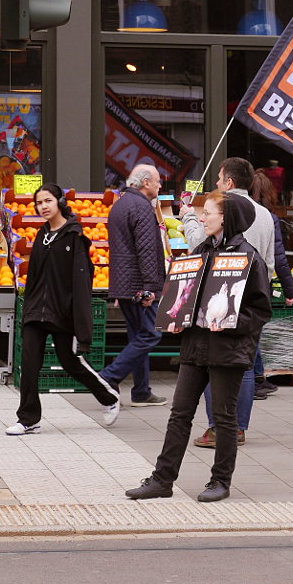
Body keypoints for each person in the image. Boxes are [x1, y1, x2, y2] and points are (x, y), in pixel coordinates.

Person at [125, 192, 271, 502]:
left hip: (227, 350)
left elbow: (261, 311)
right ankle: (162, 480)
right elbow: (186, 294)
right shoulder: (200, 252)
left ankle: (220, 482)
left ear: (226, 218)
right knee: (179, 414)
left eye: (208, 213)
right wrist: (175, 315)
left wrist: (232, 323)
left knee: (224, 418)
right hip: (195, 347)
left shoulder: (250, 258)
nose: (201, 218)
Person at [6, 183, 119, 435]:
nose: (42, 206)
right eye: (38, 203)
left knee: (70, 362)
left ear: (59, 202)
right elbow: (33, 275)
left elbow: (81, 283)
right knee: (29, 363)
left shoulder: (74, 237)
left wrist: (81, 323)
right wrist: (27, 308)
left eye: (47, 201)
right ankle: (28, 419)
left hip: (62, 311)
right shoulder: (41, 236)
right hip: (37, 310)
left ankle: (109, 397)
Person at [180, 157, 275, 447]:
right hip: (252, 298)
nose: (217, 184)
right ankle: (238, 428)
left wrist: (188, 216)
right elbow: (269, 262)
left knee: (215, 362)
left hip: (220, 296)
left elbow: (199, 247)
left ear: (230, 184)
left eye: (220, 180)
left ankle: (218, 427)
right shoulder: (266, 214)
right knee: (244, 364)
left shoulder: (222, 210)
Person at [98, 164, 167, 425]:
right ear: (146, 182)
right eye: (158, 182)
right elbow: (147, 251)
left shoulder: (120, 204)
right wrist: (150, 287)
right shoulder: (141, 208)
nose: (160, 186)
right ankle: (109, 376)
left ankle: (141, 391)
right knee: (150, 334)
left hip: (124, 285)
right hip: (140, 286)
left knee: (138, 335)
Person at [249, 168, 293, 398]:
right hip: (260, 283)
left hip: (235, 280)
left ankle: (258, 378)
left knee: (250, 332)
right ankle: (255, 381)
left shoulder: (237, 211)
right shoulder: (268, 217)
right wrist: (290, 289)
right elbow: (278, 257)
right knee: (253, 332)